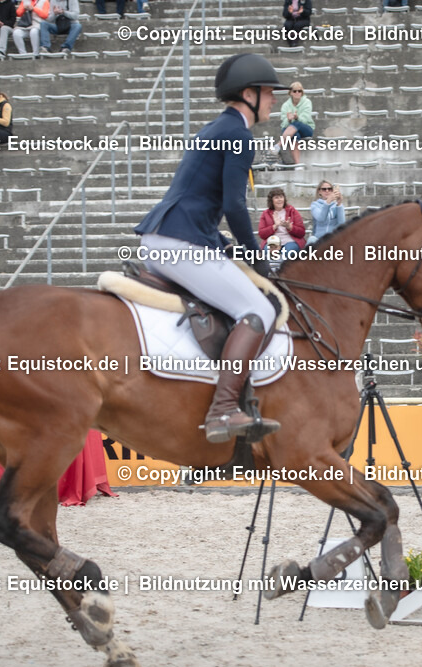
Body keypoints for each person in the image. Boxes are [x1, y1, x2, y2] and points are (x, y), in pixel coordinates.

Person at [133, 53, 287, 443]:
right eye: (269, 93)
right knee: (258, 308)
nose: (274, 101)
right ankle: (222, 411)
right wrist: (256, 256)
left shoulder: (216, 129)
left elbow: (198, 200)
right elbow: (234, 205)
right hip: (179, 242)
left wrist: (229, 247)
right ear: (249, 94)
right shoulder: (238, 134)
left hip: (168, 237)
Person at [258, 187, 305, 253]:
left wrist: (290, 227)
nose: (279, 199)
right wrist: (275, 226)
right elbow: (261, 234)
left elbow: (302, 232)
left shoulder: (292, 211)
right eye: (276, 197)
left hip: (290, 241)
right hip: (272, 241)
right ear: (271, 200)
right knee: (268, 251)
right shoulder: (265, 214)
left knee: (288, 252)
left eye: (281, 197)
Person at [278, 81, 313, 166]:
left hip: (306, 128)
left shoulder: (307, 102)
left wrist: (297, 118)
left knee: (297, 123)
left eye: (299, 91)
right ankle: (298, 164)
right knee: (294, 135)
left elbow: (306, 119)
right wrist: (289, 120)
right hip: (290, 130)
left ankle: (279, 144)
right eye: (294, 91)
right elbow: (284, 123)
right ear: (290, 93)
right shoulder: (286, 105)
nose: (297, 93)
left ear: (302, 92)